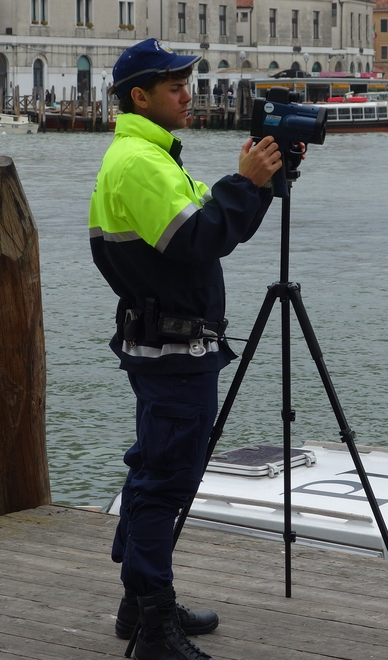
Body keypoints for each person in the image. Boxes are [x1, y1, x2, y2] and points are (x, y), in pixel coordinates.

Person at [88, 38, 284, 660]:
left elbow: (212, 221)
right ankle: (155, 632)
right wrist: (244, 185)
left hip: (165, 347)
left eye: (187, 81)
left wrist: (255, 184)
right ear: (138, 97)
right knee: (164, 483)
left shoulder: (151, 157)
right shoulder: (140, 163)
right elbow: (200, 238)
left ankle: (140, 604)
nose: (187, 92)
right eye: (174, 85)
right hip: (172, 354)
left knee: (155, 469)